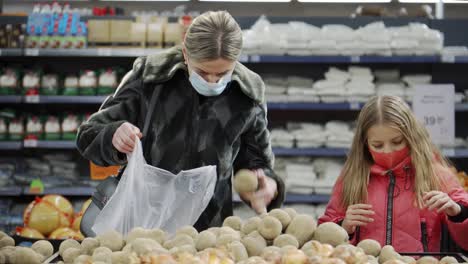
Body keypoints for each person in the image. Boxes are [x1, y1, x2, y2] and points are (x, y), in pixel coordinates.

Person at [76, 11, 285, 231]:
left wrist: (266, 183)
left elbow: (257, 161)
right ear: (186, 53)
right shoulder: (151, 76)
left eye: (223, 73)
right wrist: (113, 135)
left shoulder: (248, 92)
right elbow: (88, 135)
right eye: (203, 72)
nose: (213, 81)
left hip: (208, 228)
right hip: (143, 221)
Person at [318, 95, 468, 252]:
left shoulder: (436, 175)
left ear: (411, 137)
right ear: (364, 144)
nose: (388, 151)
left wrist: (457, 212)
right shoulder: (352, 177)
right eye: (378, 145)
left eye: (397, 142)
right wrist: (344, 226)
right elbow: (323, 236)